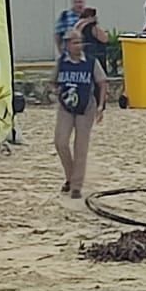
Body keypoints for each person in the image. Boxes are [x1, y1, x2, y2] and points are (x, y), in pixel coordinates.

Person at [53, 28, 108, 199]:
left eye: (78, 42)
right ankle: (70, 176)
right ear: (67, 45)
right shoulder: (62, 62)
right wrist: (56, 91)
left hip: (86, 107)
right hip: (66, 106)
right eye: (73, 42)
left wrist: (100, 106)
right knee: (60, 142)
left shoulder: (91, 62)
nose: (77, 46)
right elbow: (52, 82)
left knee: (80, 147)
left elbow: (102, 82)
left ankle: (76, 186)